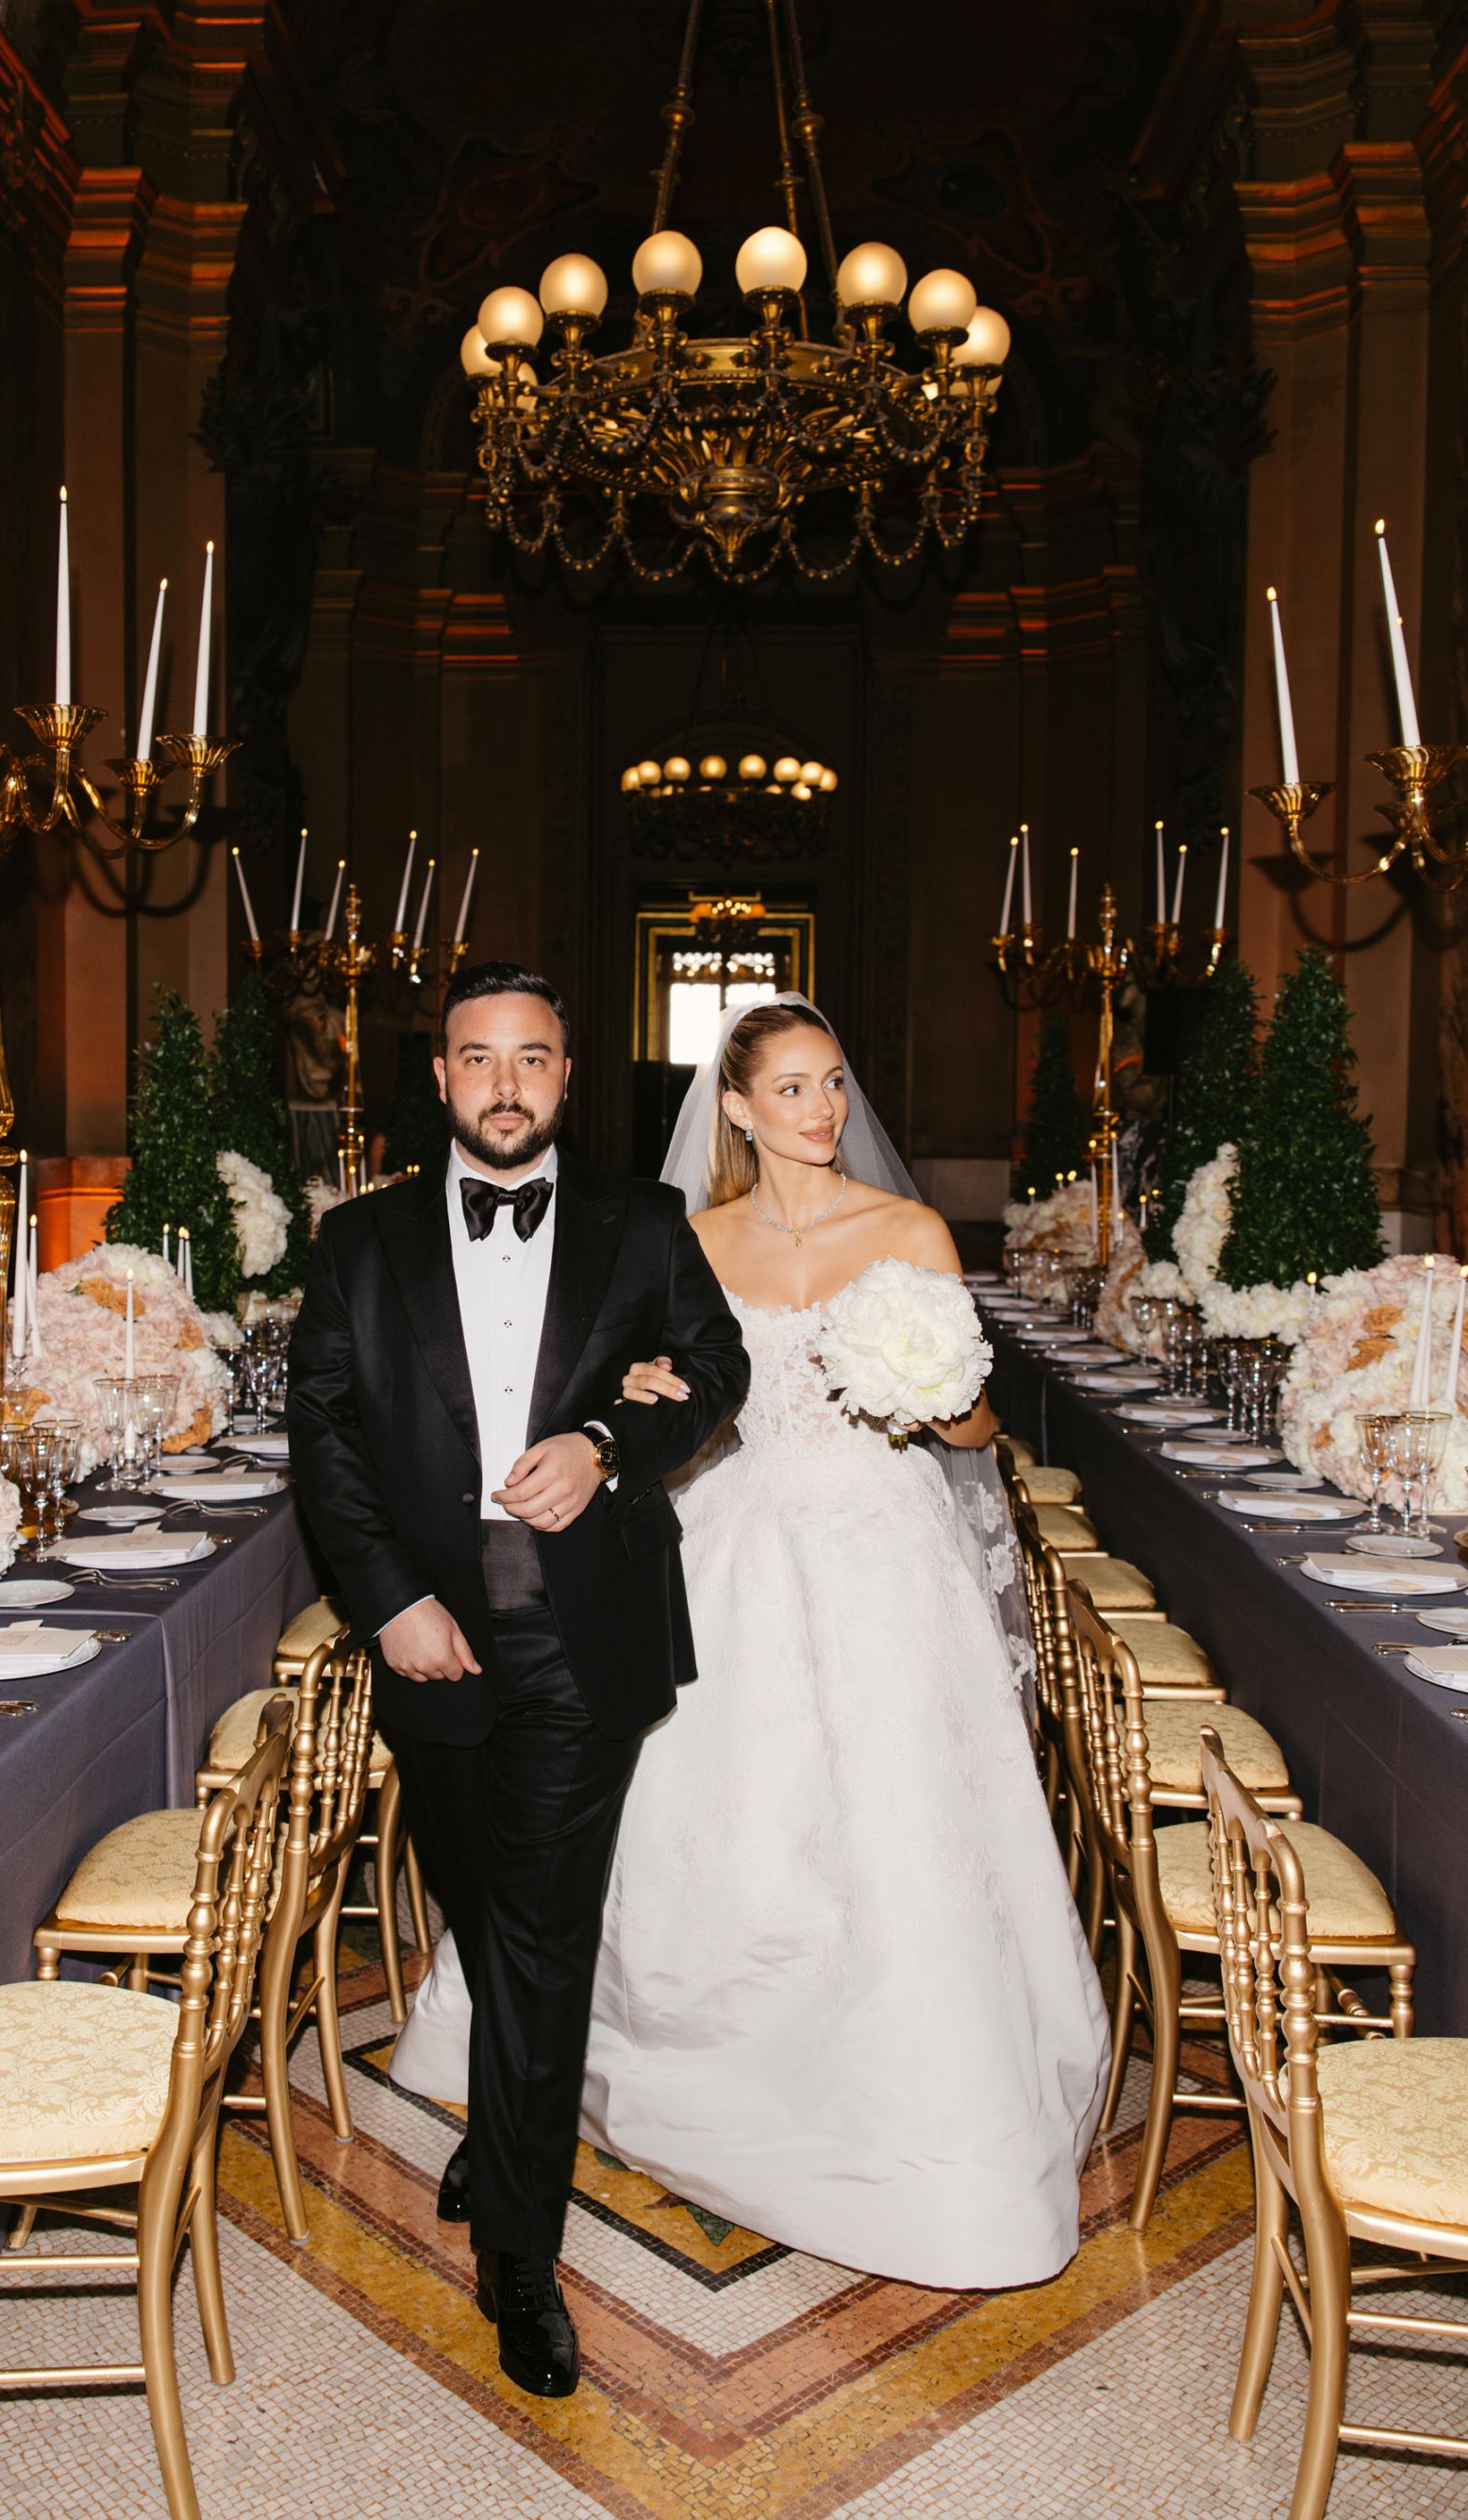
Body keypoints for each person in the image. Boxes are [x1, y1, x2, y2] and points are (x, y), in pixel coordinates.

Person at [392, 993, 1110, 2290]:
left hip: (885, 1555)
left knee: (898, 1838)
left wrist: (937, 1385)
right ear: (735, 1108)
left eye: (834, 1083)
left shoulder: (909, 1230)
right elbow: (677, 1411)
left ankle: (913, 2111)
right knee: (696, 1817)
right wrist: (643, 1401)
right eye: (792, 1089)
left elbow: (977, 1440)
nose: (823, 1111)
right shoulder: (689, 1236)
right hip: (740, 1542)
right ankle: (610, 2071)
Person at [285, 961, 748, 2397]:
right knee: (482, 1910)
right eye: (476, 1058)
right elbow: (326, 1444)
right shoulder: (357, 1243)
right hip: (429, 1633)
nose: (504, 1083)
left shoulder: (642, 1223)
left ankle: (521, 2258)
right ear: (440, 1079)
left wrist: (612, 1443)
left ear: (567, 1078)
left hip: (580, 1634)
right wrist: (392, 1605)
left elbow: (719, 1368)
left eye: (532, 1059)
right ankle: (502, 2131)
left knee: (542, 1937)